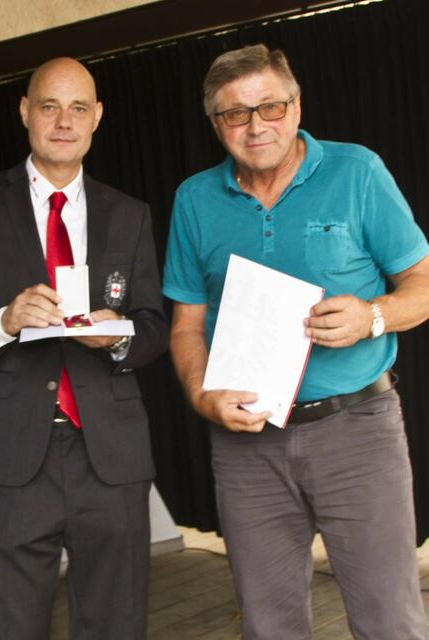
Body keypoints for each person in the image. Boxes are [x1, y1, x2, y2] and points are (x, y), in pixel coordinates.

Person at [163, 43, 429, 639]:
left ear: (297, 105)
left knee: (390, 623)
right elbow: (185, 324)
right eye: (236, 113)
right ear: (216, 124)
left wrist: (374, 316)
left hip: (356, 431)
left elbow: (424, 284)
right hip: (246, 446)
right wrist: (203, 396)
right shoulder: (194, 199)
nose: (256, 125)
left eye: (271, 107)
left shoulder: (357, 172)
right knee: (268, 626)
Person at [0, 57, 167, 639]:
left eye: (78, 108)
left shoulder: (128, 214)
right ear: (25, 112)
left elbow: (154, 327)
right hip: (8, 452)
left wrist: (118, 335)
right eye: (49, 106)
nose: (64, 121)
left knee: (116, 623)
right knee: (9, 625)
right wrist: (2, 321)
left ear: (97, 116)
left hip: (110, 454)